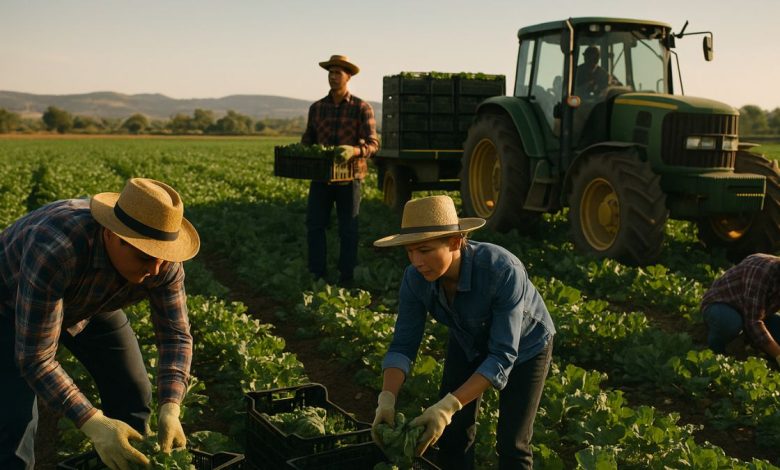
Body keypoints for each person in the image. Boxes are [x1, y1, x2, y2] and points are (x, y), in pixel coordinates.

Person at [0, 178, 200, 469]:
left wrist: (171, 406)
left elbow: (175, 336)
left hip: (91, 304)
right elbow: (35, 358)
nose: (154, 270)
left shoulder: (162, 262)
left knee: (132, 391)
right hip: (10, 307)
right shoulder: (56, 247)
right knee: (15, 420)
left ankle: (129, 460)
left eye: (162, 259)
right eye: (144, 256)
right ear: (110, 234)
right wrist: (93, 423)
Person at [370, 195, 555, 469]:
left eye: (425, 250)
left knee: (512, 443)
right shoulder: (414, 279)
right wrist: (386, 399)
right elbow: (402, 346)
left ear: (455, 242)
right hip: (467, 338)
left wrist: (446, 408)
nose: (417, 261)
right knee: (453, 435)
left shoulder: (502, 270)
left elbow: (502, 356)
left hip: (526, 347)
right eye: (410, 251)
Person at [301, 54, 380, 287]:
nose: (333, 77)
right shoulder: (317, 108)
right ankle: (316, 274)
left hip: (350, 179)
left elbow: (374, 144)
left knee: (349, 230)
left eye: (338, 73)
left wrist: (354, 151)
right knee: (315, 227)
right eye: (330, 72)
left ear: (348, 77)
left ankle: (347, 277)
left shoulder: (361, 108)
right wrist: (303, 151)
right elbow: (308, 140)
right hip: (322, 178)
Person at [701, 253, 780, 364]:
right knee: (730, 323)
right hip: (721, 304)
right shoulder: (761, 272)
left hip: (754, 310)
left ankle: (748, 341)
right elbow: (753, 322)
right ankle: (715, 354)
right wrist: (778, 355)